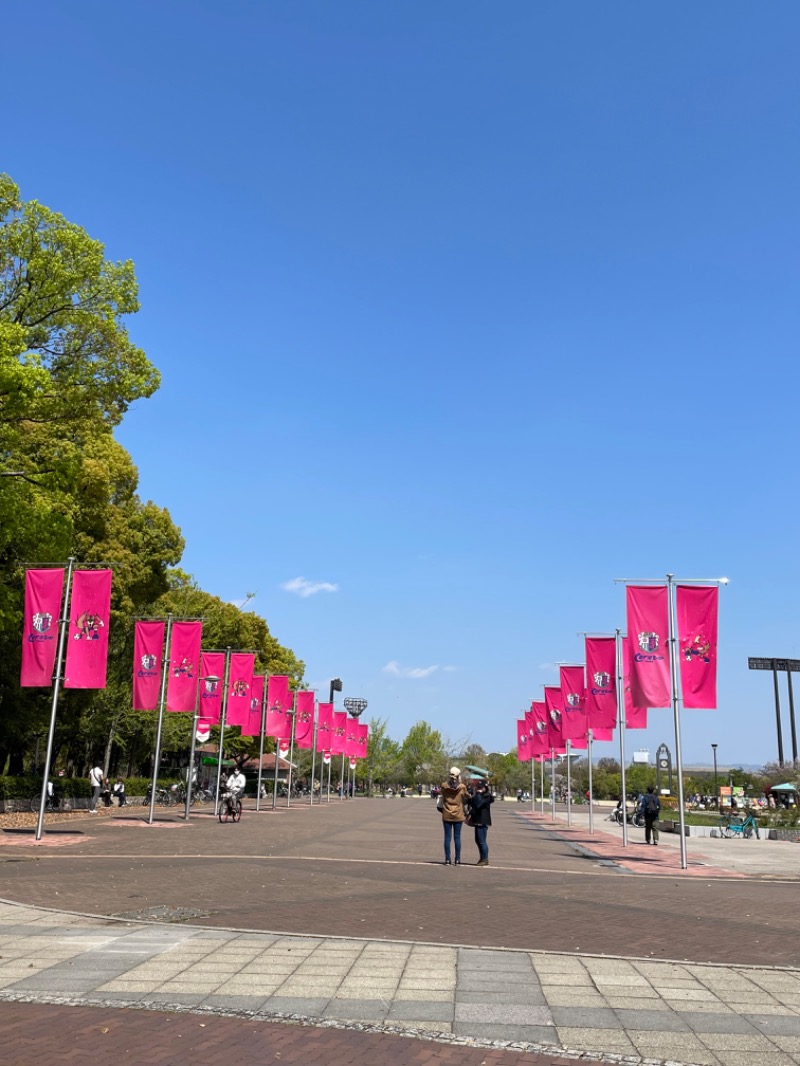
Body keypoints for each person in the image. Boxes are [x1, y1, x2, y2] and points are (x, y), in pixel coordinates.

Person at [439, 766, 468, 866]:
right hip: (458, 814)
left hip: (447, 813)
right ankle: (457, 859)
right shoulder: (462, 787)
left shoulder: (444, 786)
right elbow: (467, 797)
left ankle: (447, 859)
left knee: (447, 838)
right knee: (457, 837)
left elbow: (441, 795)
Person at [467, 778, 494, 866]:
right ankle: (482, 858)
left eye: (480, 787)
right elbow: (471, 803)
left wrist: (477, 794)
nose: (479, 789)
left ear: (485, 788)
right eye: (478, 787)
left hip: (482, 820)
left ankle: (485, 859)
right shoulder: (477, 795)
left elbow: (478, 805)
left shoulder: (487, 796)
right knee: (477, 840)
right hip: (477, 820)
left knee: (482, 841)